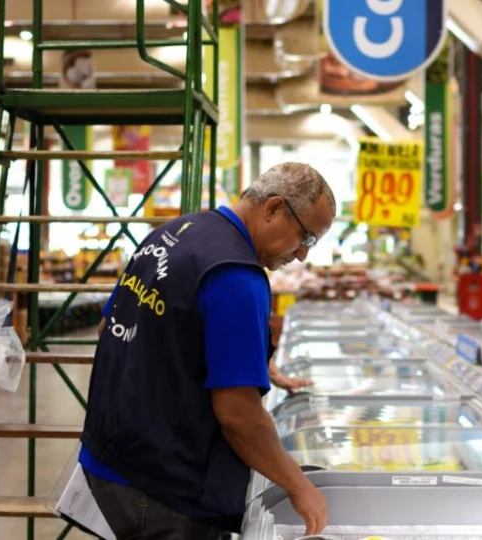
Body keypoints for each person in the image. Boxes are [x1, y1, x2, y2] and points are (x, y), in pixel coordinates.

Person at [83, 162, 336, 538]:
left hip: (107, 457)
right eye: (307, 237)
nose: (302, 255)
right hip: (163, 487)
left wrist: (251, 361)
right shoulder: (237, 276)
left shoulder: (172, 233)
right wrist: (300, 487)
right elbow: (239, 416)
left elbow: (116, 324)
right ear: (273, 208)